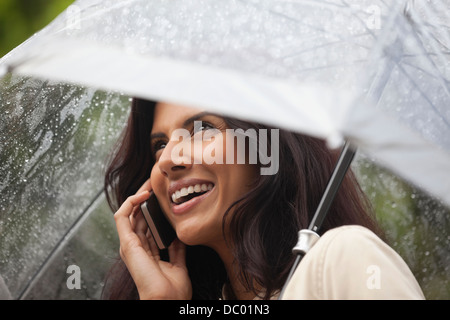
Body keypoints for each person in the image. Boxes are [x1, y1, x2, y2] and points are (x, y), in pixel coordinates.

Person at [101, 98, 425, 300]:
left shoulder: (343, 259)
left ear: (268, 148)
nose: (167, 160)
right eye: (159, 144)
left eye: (201, 129)